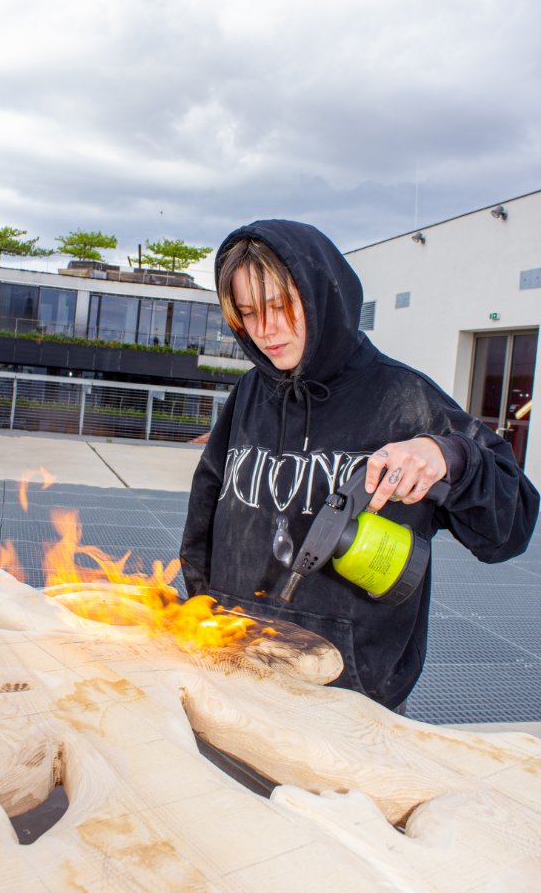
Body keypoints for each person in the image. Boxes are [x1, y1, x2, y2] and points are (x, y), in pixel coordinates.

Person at [179, 219, 539, 712]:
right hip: (235, 674)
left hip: (351, 699)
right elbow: (204, 515)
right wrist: (202, 616)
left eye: (282, 307)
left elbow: (511, 527)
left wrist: (449, 456)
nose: (265, 330)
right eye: (248, 313)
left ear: (322, 295)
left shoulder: (407, 399)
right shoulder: (248, 394)